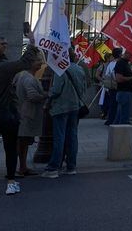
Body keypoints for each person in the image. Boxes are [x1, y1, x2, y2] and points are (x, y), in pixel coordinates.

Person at [0, 35, 39, 194]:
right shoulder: (3, 68)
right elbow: (24, 63)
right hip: (6, 115)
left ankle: (11, 181)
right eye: (1, 45)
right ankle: (11, 182)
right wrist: (32, 44)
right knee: (10, 149)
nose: (4, 46)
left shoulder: (2, 66)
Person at [41, 49, 87, 179]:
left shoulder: (60, 69)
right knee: (72, 136)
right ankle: (71, 166)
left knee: (59, 137)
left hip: (61, 107)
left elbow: (55, 90)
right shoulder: (79, 69)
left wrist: (47, 95)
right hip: (75, 106)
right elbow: (84, 87)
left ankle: (53, 167)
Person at [14, 54, 46, 177]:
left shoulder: (21, 75)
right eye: (38, 61)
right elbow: (32, 96)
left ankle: (23, 167)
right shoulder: (29, 78)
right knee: (22, 142)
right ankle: (20, 167)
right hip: (27, 114)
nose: (41, 63)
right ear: (30, 63)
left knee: (24, 142)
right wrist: (45, 96)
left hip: (22, 112)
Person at [114, 50, 132, 125]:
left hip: (128, 91)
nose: (131, 57)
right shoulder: (120, 63)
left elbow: (125, 75)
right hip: (124, 92)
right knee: (124, 116)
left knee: (121, 115)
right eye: (130, 55)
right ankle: (122, 132)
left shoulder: (126, 63)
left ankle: (117, 131)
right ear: (126, 54)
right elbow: (119, 78)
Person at [102, 49, 120, 126]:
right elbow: (115, 75)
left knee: (112, 103)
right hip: (117, 85)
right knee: (117, 104)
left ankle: (110, 119)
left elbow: (106, 75)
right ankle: (116, 119)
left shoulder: (110, 64)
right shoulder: (119, 64)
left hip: (110, 87)